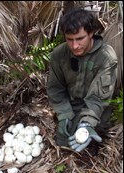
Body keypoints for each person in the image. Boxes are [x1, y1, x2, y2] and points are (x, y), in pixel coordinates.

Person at [46, 8, 118, 152]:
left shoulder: (106, 57)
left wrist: (87, 124)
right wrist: (64, 115)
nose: (74, 46)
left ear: (91, 33)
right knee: (63, 142)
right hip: (72, 105)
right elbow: (55, 89)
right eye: (69, 40)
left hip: (98, 108)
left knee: (88, 142)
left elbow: (98, 98)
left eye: (80, 39)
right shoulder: (59, 54)